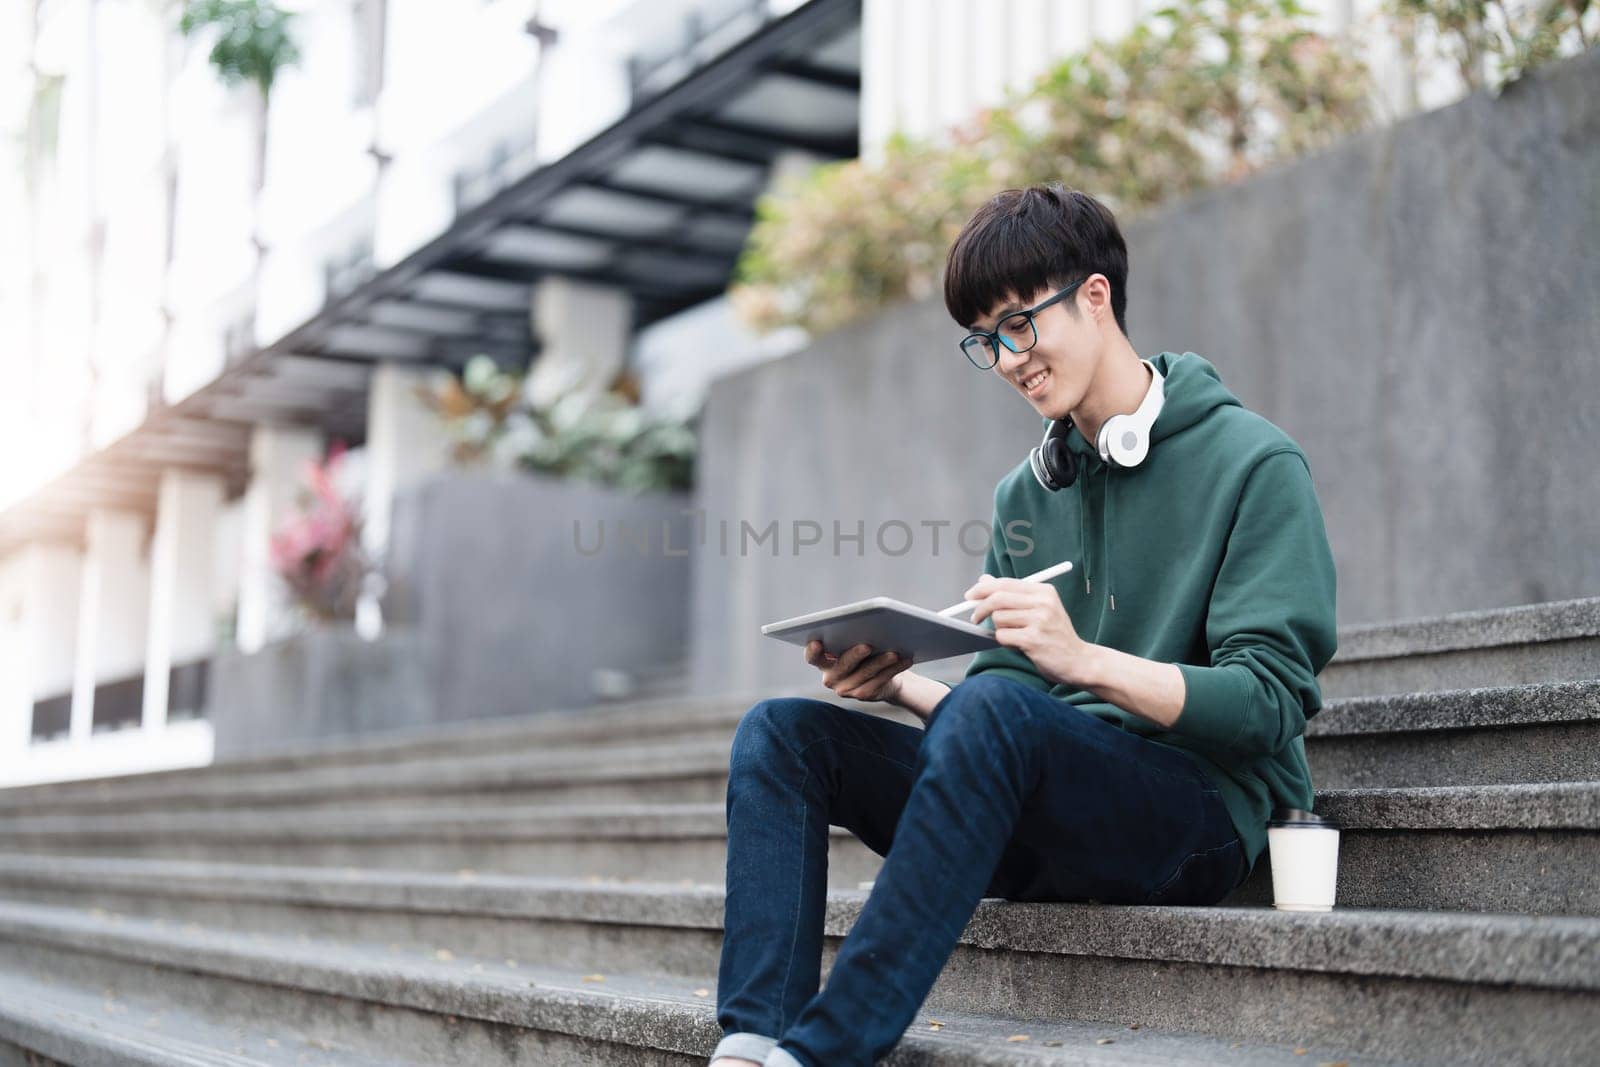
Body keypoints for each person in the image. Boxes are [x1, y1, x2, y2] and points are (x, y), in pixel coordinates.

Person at [708, 183, 1338, 1067]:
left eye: (1018, 323)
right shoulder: (1026, 491)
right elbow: (997, 701)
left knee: (996, 717)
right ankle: (750, 1041)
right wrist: (902, 682)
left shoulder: (1255, 463)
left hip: (1194, 819)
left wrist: (1083, 659)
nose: (1007, 358)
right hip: (1044, 803)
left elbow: (1271, 704)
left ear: (1094, 295)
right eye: (984, 338)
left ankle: (824, 1055)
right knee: (782, 734)